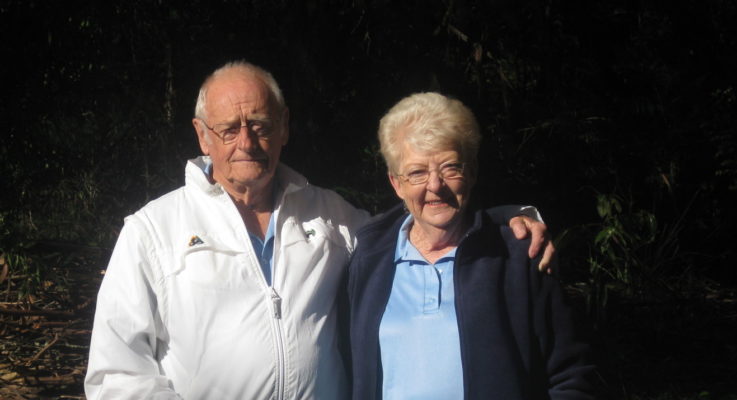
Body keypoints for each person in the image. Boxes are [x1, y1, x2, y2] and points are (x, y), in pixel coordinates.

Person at [84, 61, 553, 399]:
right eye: (229, 129)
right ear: (202, 134)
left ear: (284, 127)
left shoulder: (329, 215)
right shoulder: (153, 231)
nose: (247, 142)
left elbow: (422, 223)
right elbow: (115, 373)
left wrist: (506, 220)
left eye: (260, 124)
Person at [346, 92, 596, 399]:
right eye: (417, 172)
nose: (435, 185)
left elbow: (570, 377)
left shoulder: (518, 257)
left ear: (472, 171)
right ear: (396, 183)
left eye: (450, 167)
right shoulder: (369, 259)